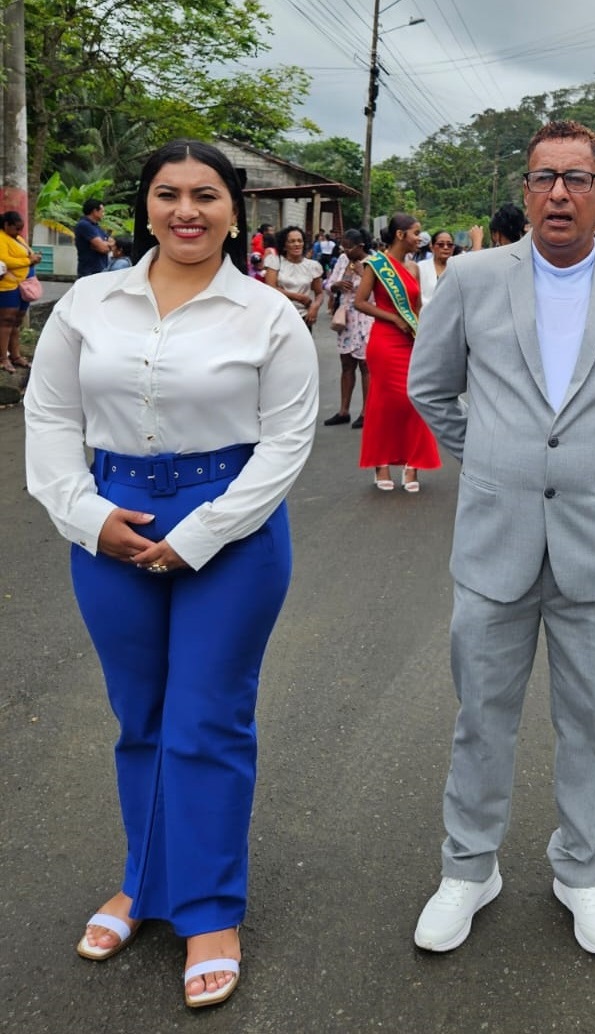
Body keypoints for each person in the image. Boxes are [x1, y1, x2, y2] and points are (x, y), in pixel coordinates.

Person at [24, 138, 319, 1008]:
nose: (186, 211)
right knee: (141, 718)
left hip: (234, 524)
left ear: (234, 211)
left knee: (207, 721)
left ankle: (210, 909)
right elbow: (50, 417)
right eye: (167, 194)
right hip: (110, 517)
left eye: (205, 195)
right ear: (144, 207)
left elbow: (287, 442)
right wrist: (88, 517)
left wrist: (202, 534)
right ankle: (144, 883)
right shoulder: (88, 304)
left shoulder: (266, 315)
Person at [407, 119, 595, 956]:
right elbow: (432, 387)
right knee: (481, 715)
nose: (558, 193)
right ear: (525, 191)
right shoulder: (472, 279)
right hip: (495, 536)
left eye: (576, 179)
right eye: (542, 178)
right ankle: (469, 868)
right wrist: (496, 460)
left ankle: (582, 870)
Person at [354, 211, 440, 492]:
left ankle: (412, 464)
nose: (420, 238)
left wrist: (423, 334)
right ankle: (381, 464)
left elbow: (416, 307)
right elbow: (360, 302)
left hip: (410, 340)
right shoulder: (376, 265)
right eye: (415, 232)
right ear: (400, 235)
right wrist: (393, 318)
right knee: (386, 402)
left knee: (414, 401)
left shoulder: (414, 268)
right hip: (385, 341)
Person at [323, 227, 374, 428]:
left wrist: (363, 274)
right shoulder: (343, 260)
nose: (345, 251)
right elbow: (328, 284)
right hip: (346, 318)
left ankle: (366, 412)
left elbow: (379, 293)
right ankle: (343, 410)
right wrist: (336, 285)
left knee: (365, 365)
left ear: (361, 246)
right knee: (346, 363)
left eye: (349, 247)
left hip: (367, 318)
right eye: (343, 247)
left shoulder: (373, 262)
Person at [0, 210, 41, 372]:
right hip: (8, 286)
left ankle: (15, 355)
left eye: (21, 229)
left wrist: (34, 258)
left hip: (23, 285)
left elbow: (28, 254)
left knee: (16, 322)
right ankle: (3, 358)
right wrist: (28, 260)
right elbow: (5, 260)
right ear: (6, 225)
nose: (19, 231)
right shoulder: (1, 238)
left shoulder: (17, 238)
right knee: (6, 321)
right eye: (16, 228)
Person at [264, 226, 324, 329]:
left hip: (303, 317)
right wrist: (299, 297)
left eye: (299, 241)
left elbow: (319, 293)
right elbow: (271, 288)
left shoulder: (312, 266)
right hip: (279, 316)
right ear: (284, 246)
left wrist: (315, 306)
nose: (297, 244)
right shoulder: (275, 262)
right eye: (292, 241)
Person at [75, 197, 113, 277]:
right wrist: (105, 245)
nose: (103, 214)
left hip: (99, 270)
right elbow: (103, 248)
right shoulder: (84, 225)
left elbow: (112, 242)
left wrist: (104, 245)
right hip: (89, 271)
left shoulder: (96, 226)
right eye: (102, 211)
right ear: (95, 211)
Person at [416, 230, 455, 306]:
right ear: (432, 247)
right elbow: (417, 295)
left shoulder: (458, 267)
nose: (446, 247)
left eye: (450, 245)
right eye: (441, 244)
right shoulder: (421, 267)